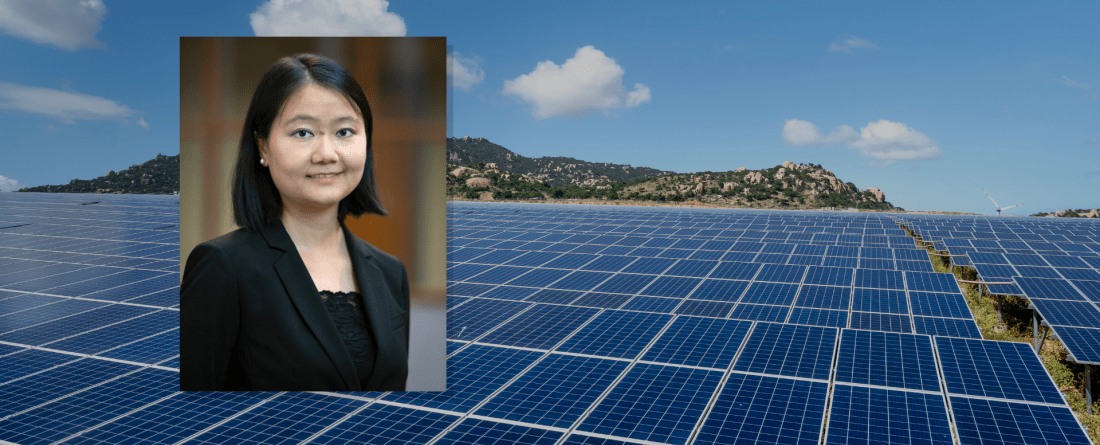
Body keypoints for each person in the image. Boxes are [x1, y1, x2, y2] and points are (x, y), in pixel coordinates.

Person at [180, 53, 408, 391]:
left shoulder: (391, 273)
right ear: (263, 147)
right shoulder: (222, 266)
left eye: (345, 131)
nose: (327, 154)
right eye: (303, 133)